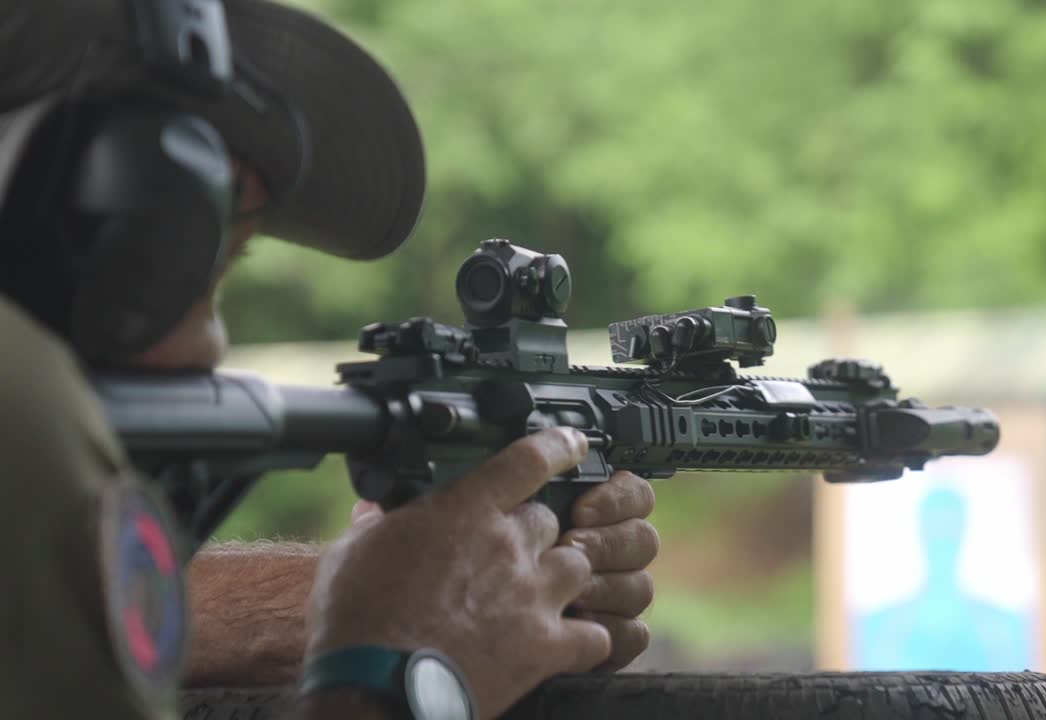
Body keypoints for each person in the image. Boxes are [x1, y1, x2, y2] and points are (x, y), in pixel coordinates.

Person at [0, 1, 658, 719]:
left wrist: (353, 602)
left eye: (226, 266)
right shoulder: (20, 390)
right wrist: (400, 677)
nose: (208, 345)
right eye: (160, 253)